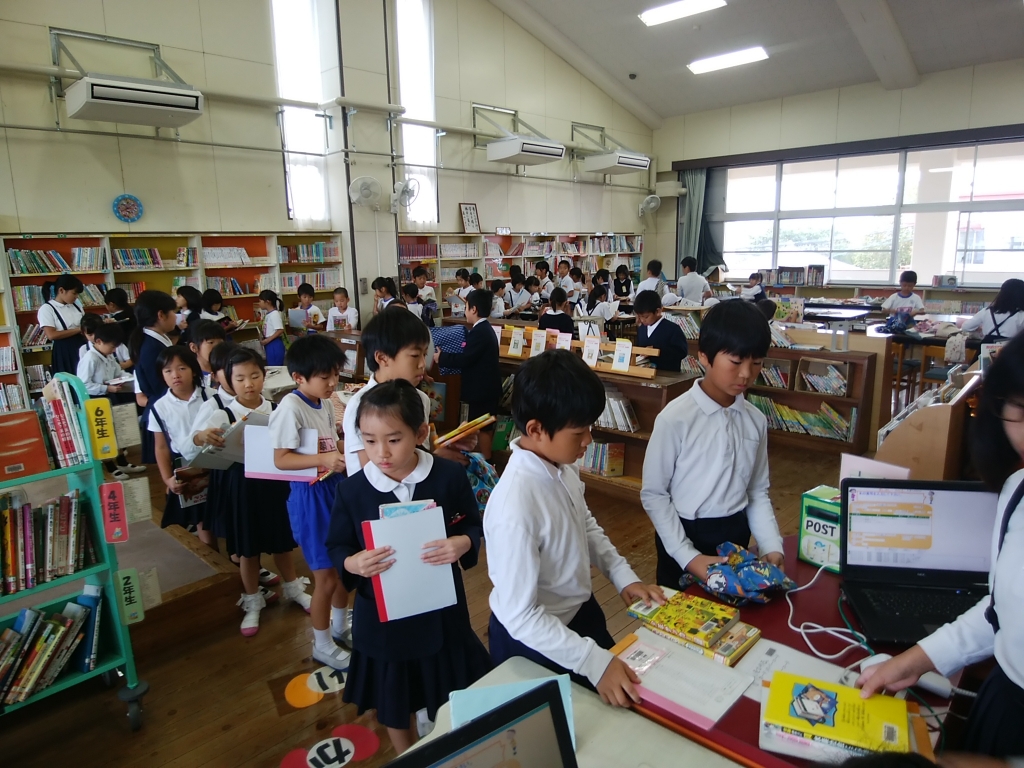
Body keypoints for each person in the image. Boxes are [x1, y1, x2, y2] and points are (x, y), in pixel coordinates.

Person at [857, 332, 1024, 758]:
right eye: (1023, 411)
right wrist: (914, 661)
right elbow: (1002, 611)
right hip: (1006, 702)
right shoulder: (1016, 491)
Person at [486, 350, 665, 704]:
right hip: (532, 641)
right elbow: (520, 615)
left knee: (623, 698)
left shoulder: (562, 464)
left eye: (590, 428)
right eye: (579, 432)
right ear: (536, 429)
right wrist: (592, 661)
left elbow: (585, 524)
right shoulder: (514, 507)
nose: (588, 441)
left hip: (578, 612)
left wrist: (623, 576)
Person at [327, 380, 491, 754]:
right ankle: (409, 756)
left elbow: (471, 524)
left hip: (441, 612)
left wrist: (463, 542)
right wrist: (353, 561)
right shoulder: (352, 490)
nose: (381, 452)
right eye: (369, 441)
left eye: (393, 439)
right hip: (382, 619)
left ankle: (446, 745)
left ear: (420, 433)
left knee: (448, 689)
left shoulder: (447, 477)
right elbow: (337, 544)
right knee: (395, 701)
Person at [640, 300, 784, 588]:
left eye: (756, 362)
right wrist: (688, 556)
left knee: (733, 608)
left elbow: (756, 490)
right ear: (704, 357)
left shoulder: (755, 420)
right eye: (736, 362)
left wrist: (771, 543)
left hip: (735, 533)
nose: (746, 373)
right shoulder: (675, 418)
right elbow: (654, 494)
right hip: (683, 536)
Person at [191, 346, 311, 636]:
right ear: (229, 380)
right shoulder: (223, 412)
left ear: (264, 376)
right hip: (241, 486)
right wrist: (203, 436)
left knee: (282, 541)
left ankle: (294, 588)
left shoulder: (277, 409)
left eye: (255, 376)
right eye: (240, 378)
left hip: (274, 483)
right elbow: (195, 439)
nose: (249, 384)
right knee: (248, 547)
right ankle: (253, 600)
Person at [269, 334, 350, 669]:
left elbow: (331, 445)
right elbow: (280, 460)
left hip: (334, 487)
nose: (333, 383)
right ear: (298, 377)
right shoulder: (290, 407)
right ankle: (321, 644)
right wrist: (324, 459)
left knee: (344, 568)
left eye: (336, 374)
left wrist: (348, 449)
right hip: (311, 497)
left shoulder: (326, 402)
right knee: (325, 577)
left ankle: (340, 626)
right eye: (325, 376)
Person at [343, 306, 433, 476]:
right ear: (382, 358)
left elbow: (419, 450)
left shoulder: (420, 399)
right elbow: (373, 473)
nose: (422, 364)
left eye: (425, 354)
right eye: (415, 355)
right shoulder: (360, 405)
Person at [148, 346, 216, 548]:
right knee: (202, 521)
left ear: (193, 370)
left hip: (217, 462)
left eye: (182, 368)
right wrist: (167, 479)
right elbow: (161, 447)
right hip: (188, 468)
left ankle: (238, 559)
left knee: (225, 514)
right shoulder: (160, 407)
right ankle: (214, 557)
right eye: (168, 370)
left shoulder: (212, 397)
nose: (175, 375)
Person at [433, 290, 501, 458]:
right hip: (485, 390)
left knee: (482, 426)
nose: (465, 312)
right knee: (481, 426)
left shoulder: (480, 332)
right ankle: (485, 459)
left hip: (482, 391)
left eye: (466, 307)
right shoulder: (484, 329)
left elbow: (465, 359)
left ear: (474, 309)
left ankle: (486, 463)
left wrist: (442, 357)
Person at [76, 322, 144, 480]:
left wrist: (131, 379)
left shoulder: (108, 356)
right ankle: (110, 466)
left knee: (118, 431)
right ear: (98, 341)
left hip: (110, 396)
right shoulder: (90, 358)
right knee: (104, 434)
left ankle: (122, 462)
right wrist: (105, 388)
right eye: (112, 347)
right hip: (95, 401)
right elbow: (83, 384)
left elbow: (118, 372)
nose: (114, 351)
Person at [129, 290, 178, 464]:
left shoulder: (156, 340)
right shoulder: (151, 348)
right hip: (164, 411)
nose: (176, 317)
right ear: (161, 315)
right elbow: (161, 386)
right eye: (174, 312)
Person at [38, 274, 85, 375]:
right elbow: (51, 335)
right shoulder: (47, 309)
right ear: (61, 290)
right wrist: (78, 329)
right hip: (64, 351)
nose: (76, 297)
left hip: (81, 345)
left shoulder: (77, 306)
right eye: (74, 293)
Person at [634, 290, 689, 373]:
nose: (642, 320)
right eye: (639, 316)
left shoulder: (673, 329)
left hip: (668, 375)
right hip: (645, 373)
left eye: (646, 317)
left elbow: (681, 352)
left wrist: (658, 351)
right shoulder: (642, 329)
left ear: (658, 311)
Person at [961, 278, 1024, 342]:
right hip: (1010, 347)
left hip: (986, 347)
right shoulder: (1021, 315)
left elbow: (966, 327)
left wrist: (979, 328)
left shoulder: (986, 311)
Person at [188, 319, 227, 389]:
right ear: (194, 347)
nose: (217, 347)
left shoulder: (229, 370)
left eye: (220, 343)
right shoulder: (190, 376)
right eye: (211, 342)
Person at [258, 289, 287, 366]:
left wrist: (267, 340)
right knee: (271, 365)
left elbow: (280, 330)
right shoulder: (269, 314)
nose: (259, 303)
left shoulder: (274, 314)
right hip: (270, 343)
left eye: (260, 301)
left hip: (274, 344)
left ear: (267, 302)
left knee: (275, 367)